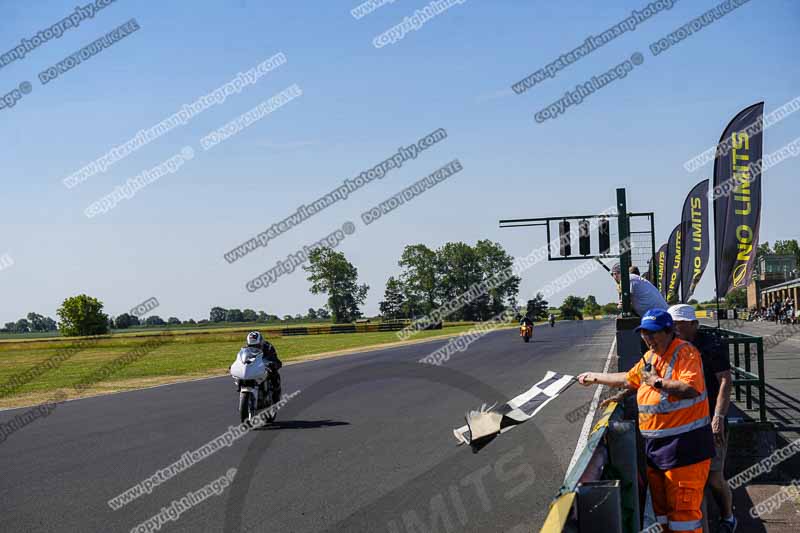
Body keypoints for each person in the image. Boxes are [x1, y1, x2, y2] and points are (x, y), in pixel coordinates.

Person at [577, 309, 715, 533]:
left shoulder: (685, 352)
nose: (648, 338)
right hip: (657, 449)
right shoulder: (650, 357)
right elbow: (627, 379)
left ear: (669, 331)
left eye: (653, 333)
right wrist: (594, 377)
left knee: (684, 517)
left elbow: (690, 388)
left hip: (685, 448)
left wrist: (655, 381)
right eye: (643, 333)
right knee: (663, 514)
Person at [668, 305, 736, 533]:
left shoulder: (711, 345)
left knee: (714, 477)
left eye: (680, 323)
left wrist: (719, 417)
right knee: (692, 478)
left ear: (694, 324)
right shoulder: (670, 345)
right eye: (673, 324)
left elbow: (725, 380)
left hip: (709, 418)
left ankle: (728, 517)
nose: (675, 328)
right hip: (685, 421)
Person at [246, 331, 282, 405]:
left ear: (261, 342)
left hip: (267, 364)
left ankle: (276, 394)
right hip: (254, 366)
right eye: (251, 346)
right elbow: (243, 358)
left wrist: (270, 363)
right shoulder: (246, 349)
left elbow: (273, 358)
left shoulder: (268, 347)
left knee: (274, 373)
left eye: (256, 345)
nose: (254, 347)